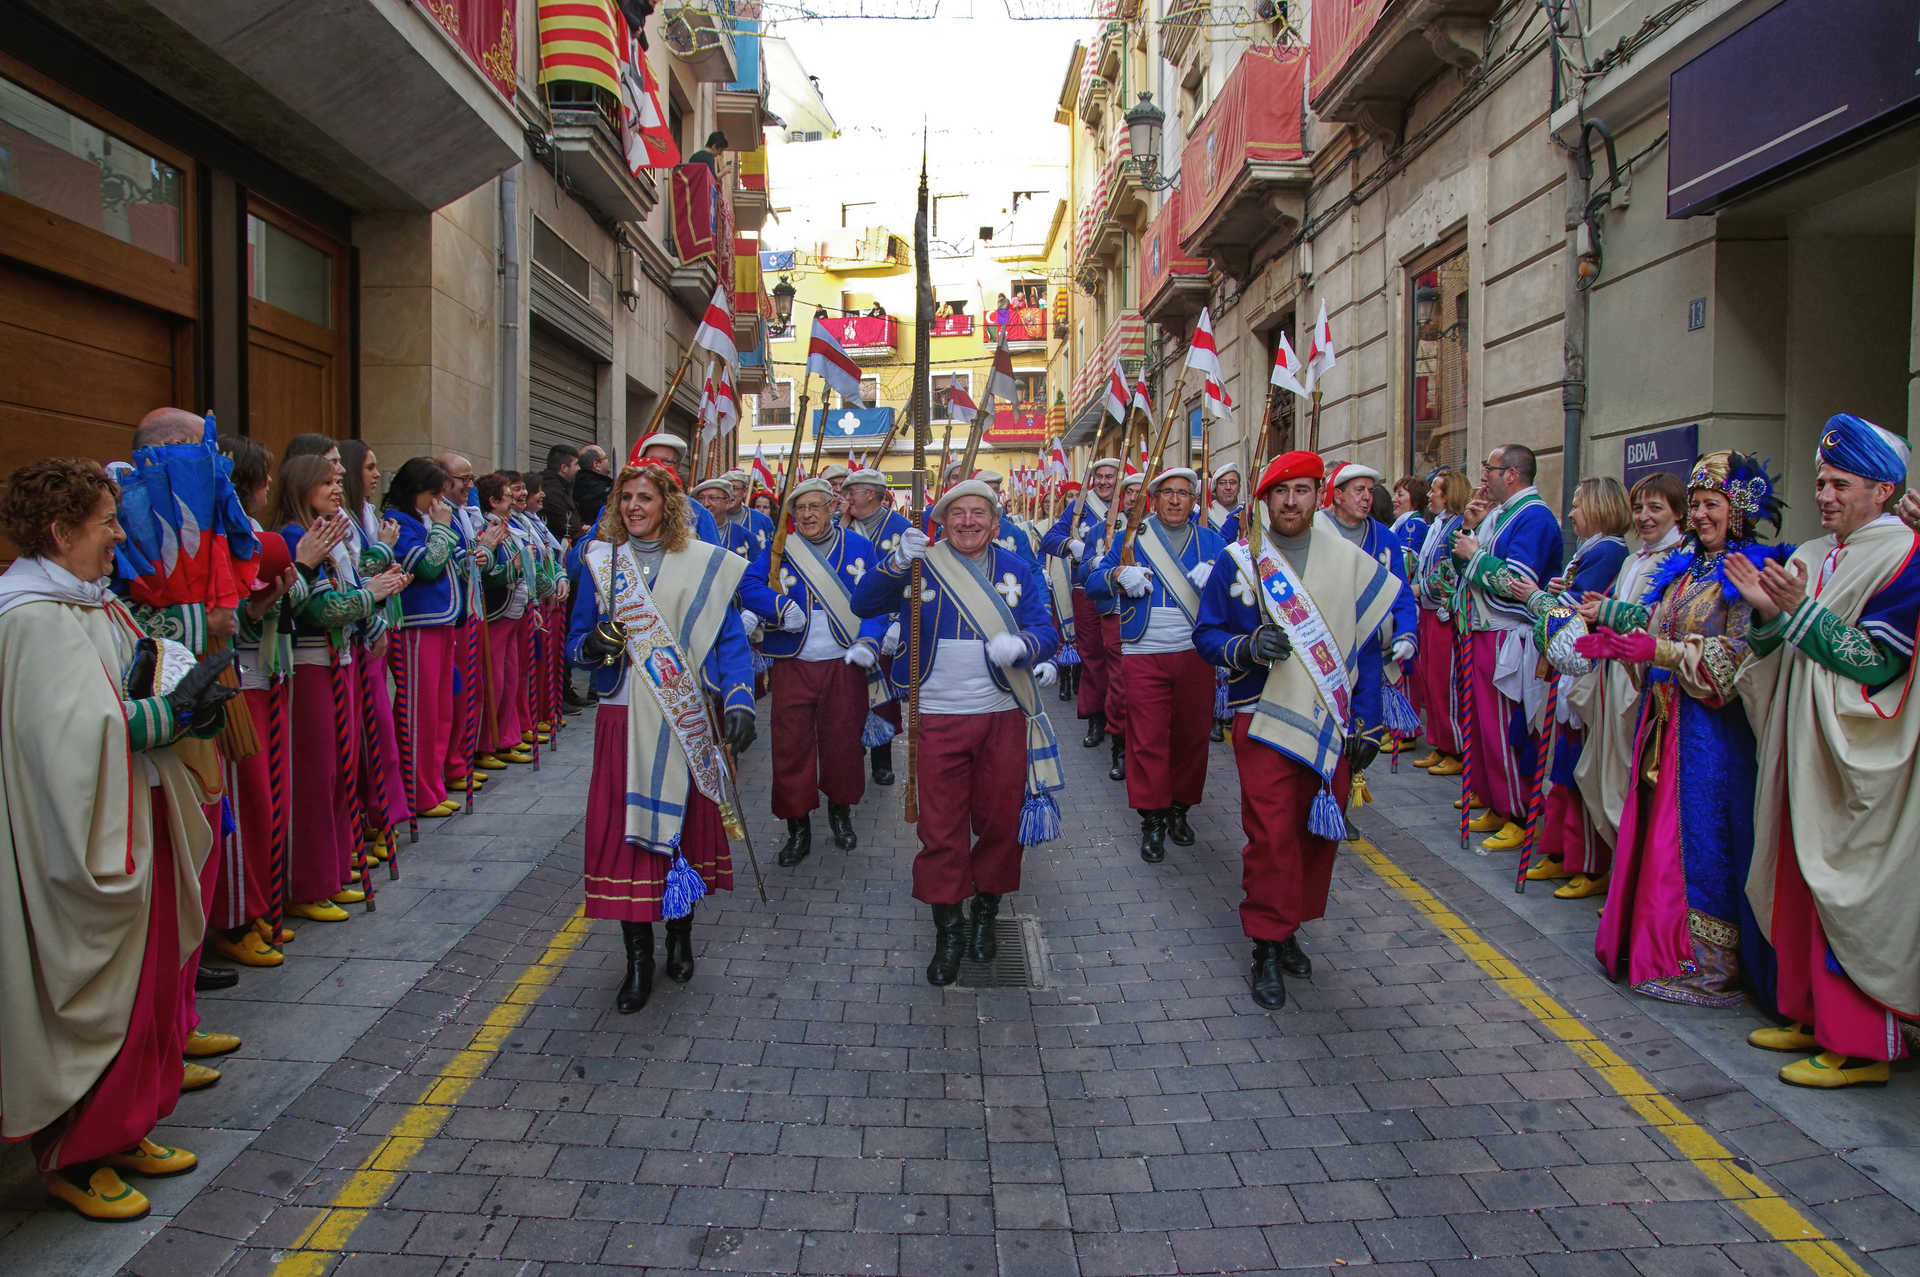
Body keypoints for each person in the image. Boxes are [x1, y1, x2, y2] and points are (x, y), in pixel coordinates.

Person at [0, 457, 236, 1221]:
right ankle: (76, 1153)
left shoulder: (89, 602)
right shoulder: (28, 616)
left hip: (135, 812)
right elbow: (69, 736)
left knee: (148, 979)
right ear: (61, 530)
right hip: (79, 836)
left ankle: (126, 1125)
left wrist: (181, 692)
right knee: (105, 986)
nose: (118, 535)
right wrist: (165, 718)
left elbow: (133, 682)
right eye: (105, 522)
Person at [1734, 415, 1920, 1088]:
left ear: (1884, 488)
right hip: (1802, 744)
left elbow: (1879, 664)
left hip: (1853, 755)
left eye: (1841, 482)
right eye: (1820, 480)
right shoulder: (1815, 552)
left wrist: (1800, 616)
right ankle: (1810, 1013)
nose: (1825, 493)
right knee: (1800, 876)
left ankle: (1862, 1044)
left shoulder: (1903, 553)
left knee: (1847, 888)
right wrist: (1765, 613)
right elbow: (1770, 649)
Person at [1575, 450, 1787, 1009]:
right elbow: (1658, 626)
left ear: (1738, 510)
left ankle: (1712, 964)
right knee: (1664, 836)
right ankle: (1661, 946)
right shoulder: (1688, 568)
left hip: (1714, 737)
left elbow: (1737, 659)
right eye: (1693, 505)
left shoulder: (1750, 572)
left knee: (1705, 841)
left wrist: (1658, 648)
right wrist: (1618, 627)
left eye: (1710, 504)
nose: (1699, 516)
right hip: (1667, 722)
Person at [1193, 451, 1399, 1010]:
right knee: (1272, 837)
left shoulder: (1348, 560)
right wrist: (1244, 646)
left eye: (1303, 491)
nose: (1291, 502)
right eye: (1280, 494)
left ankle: (1289, 930)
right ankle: (1265, 941)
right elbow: (1206, 634)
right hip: (1263, 718)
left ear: (1318, 496)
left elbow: (1368, 651)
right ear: (1264, 501)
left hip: (1332, 722)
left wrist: (1371, 723)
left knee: (1316, 838)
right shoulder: (1239, 562)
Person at [852, 480, 1061, 986]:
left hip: (1001, 716)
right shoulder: (920, 561)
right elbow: (864, 604)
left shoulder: (1013, 568)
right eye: (957, 513)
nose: (968, 522)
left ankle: (986, 915)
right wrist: (897, 563)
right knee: (940, 829)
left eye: (979, 513)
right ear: (942, 520)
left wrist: (1025, 647)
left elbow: (1046, 628)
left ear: (994, 521)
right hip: (935, 719)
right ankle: (949, 930)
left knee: (997, 824)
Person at [568, 463, 756, 1013]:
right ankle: (636, 960)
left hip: (683, 716)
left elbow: (728, 641)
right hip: (622, 716)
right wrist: (596, 645)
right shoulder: (600, 563)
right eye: (624, 497)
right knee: (625, 836)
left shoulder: (701, 565)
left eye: (643, 497)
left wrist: (741, 697)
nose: (631, 506)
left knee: (679, 834)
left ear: (667, 505)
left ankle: (680, 935)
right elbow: (575, 643)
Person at [272, 455, 410, 924]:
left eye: (339, 479)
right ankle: (310, 881)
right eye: (327, 481)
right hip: (313, 666)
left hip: (343, 661)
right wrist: (370, 596)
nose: (338, 488)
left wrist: (371, 594)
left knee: (341, 771)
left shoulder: (333, 533)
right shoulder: (296, 537)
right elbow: (315, 609)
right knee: (318, 775)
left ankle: (333, 867)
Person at [740, 478, 888, 865]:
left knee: (842, 744)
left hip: (845, 664)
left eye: (814, 507)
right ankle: (797, 826)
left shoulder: (857, 546)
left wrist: (869, 641)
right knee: (790, 747)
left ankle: (841, 813)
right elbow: (748, 584)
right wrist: (776, 605)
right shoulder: (779, 549)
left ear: (831, 508)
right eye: (799, 509)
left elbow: (878, 601)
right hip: (792, 665)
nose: (806, 515)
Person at [1087, 469, 1225, 861]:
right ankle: (1152, 819)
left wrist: (1219, 580)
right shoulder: (1133, 537)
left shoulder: (1213, 542)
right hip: (1142, 651)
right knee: (1147, 739)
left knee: (1191, 738)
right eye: (1168, 493)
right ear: (1154, 498)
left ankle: (1179, 809)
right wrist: (1117, 574)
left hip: (1196, 652)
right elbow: (1091, 579)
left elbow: (1243, 590)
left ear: (1194, 499)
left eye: (1184, 493)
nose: (1176, 500)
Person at [1502, 476, 1631, 887]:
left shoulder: (1609, 551)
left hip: (1585, 670)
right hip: (1569, 668)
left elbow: (1573, 613)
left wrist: (1538, 597)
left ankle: (1584, 859)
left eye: (1577, 504)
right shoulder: (1592, 551)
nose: (1571, 512)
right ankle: (1560, 847)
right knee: (1559, 764)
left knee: (1573, 766)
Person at [1561, 471, 1684, 900]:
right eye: (1639, 508)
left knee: (1632, 782)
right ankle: (1622, 879)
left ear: (1676, 513)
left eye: (1656, 508)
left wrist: (1609, 612)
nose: (1645, 517)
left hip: (1647, 690)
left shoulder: (1679, 561)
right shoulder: (1633, 560)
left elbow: (1663, 625)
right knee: (1603, 774)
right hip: (1615, 678)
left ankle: (1635, 887)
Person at [206, 435, 300, 969]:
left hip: (266, 672)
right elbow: (229, 616)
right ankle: (237, 915)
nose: (270, 483)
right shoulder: (227, 536)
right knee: (244, 804)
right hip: (237, 680)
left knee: (264, 800)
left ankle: (256, 904)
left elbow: (250, 608)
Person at [1449, 445, 1565, 850]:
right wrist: (1471, 535)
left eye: (1490, 469)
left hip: (1506, 636)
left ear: (1512, 474)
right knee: (1481, 728)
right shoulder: (1503, 514)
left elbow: (1517, 583)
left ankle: (1518, 809)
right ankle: (1498, 801)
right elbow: (1467, 567)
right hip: (1483, 633)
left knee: (1504, 729)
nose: (1485, 477)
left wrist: (1476, 555)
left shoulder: (1533, 517)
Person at [384, 457, 464, 819]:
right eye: (433, 494)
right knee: (420, 713)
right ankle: (418, 790)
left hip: (440, 624)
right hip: (417, 627)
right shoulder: (398, 522)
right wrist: (442, 528)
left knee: (440, 709)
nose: (439, 503)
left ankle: (432, 785)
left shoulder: (418, 521)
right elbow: (428, 566)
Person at [1039, 456, 1122, 749]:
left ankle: (1120, 720)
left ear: (1119, 479)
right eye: (1099, 476)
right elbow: (1049, 540)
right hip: (1085, 589)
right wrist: (1073, 545)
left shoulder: (1129, 507)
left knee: (1120, 660)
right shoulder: (1079, 509)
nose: (1103, 482)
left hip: (1121, 592)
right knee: (1093, 658)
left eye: (1110, 476)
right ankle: (1096, 719)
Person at [841, 467, 913, 784]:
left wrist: (900, 622)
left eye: (850, 493)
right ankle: (850, 751)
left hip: (885, 627)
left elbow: (913, 581)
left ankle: (882, 760)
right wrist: (840, 523)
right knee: (846, 696)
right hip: (843, 623)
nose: (845, 499)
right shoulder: (839, 525)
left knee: (881, 696)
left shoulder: (902, 528)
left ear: (871, 493)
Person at [1409, 469, 1472, 776]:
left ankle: (1455, 747)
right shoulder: (1437, 524)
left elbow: (1452, 570)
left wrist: (1424, 588)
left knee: (1446, 683)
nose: (1430, 495)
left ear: (1450, 494)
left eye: (1436, 490)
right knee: (1431, 680)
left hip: (1446, 613)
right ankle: (1439, 741)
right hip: (1429, 611)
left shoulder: (1458, 526)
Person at [540, 443, 582, 544]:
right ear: (564, 468)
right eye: (576, 464)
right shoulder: (551, 491)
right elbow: (564, 525)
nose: (579, 468)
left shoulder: (564, 487)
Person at [573, 445, 614, 530]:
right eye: (605, 458)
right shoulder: (606, 489)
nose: (608, 461)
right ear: (596, 465)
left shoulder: (573, 485)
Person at [1208, 462, 1242, 532]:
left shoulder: (1246, 512)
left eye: (1232, 482)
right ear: (1215, 489)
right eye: (1222, 483)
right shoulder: (1206, 515)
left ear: (1239, 487)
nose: (1228, 487)